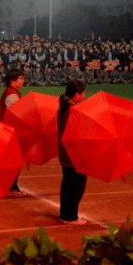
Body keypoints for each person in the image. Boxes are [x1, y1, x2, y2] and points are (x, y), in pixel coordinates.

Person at [58, 80, 88, 225]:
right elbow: (77, 133)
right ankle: (70, 216)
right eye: (83, 92)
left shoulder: (64, 108)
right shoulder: (73, 111)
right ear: (77, 94)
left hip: (66, 153)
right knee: (75, 186)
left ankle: (67, 214)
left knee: (68, 184)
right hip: (74, 154)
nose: (84, 95)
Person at [0, 69, 26, 197]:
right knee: (14, 160)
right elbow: (17, 114)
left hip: (9, 131)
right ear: (13, 80)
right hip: (11, 132)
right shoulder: (11, 95)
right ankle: (11, 186)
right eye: (20, 78)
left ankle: (12, 186)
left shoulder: (12, 93)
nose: (23, 81)